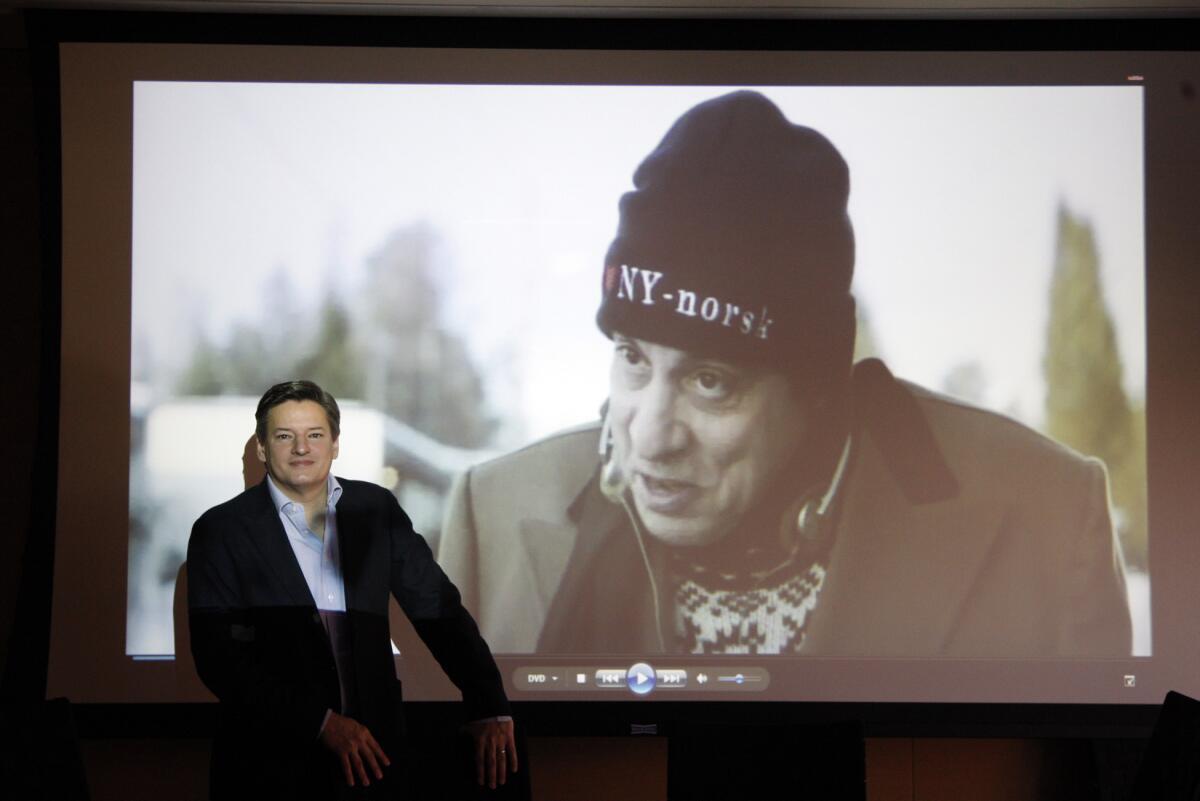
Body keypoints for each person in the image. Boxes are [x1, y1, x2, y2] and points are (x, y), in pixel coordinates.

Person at [437, 90, 1133, 657]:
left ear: (820, 383)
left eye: (712, 380)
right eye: (633, 358)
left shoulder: (1044, 516)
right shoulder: (492, 515)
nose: (650, 435)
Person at [188, 380, 517, 800]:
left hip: (374, 765)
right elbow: (218, 659)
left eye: (315, 435)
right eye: (285, 436)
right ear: (262, 449)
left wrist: (487, 699)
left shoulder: (376, 510)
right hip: (269, 771)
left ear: (335, 444)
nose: (301, 448)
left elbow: (438, 610)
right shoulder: (220, 530)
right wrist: (320, 723)